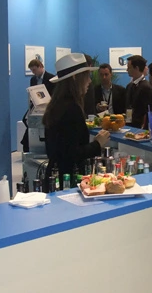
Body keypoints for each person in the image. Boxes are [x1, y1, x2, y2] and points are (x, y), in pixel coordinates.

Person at [43, 53, 110, 192]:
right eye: (87, 76)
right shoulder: (72, 108)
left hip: (55, 176)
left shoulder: (56, 105)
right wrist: (97, 144)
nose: (89, 81)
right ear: (75, 78)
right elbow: (71, 153)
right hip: (68, 181)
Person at [125, 55, 152, 128]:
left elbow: (148, 110)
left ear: (136, 68)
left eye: (129, 67)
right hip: (128, 124)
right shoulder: (129, 86)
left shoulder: (147, 88)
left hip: (140, 128)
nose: (127, 70)